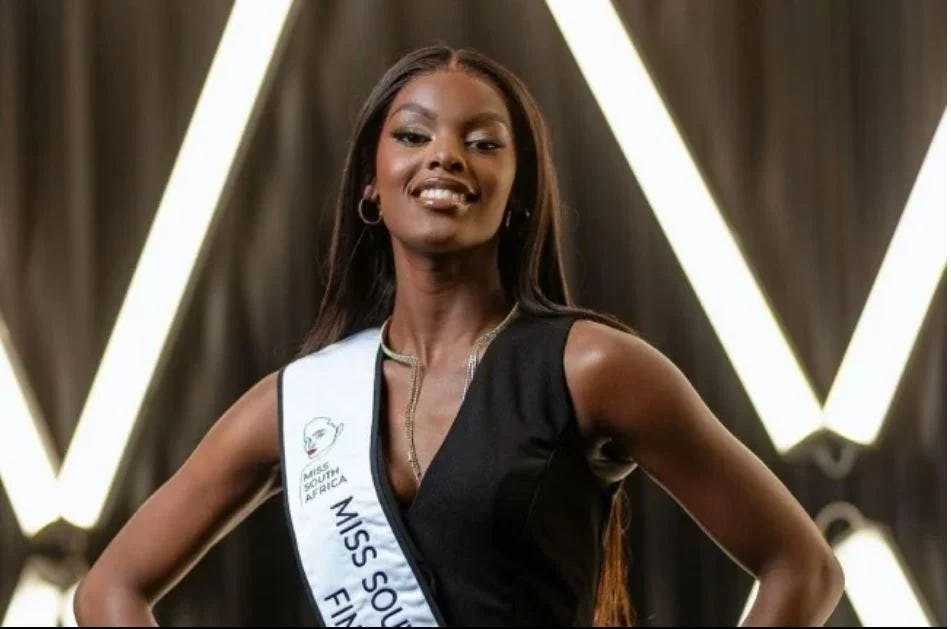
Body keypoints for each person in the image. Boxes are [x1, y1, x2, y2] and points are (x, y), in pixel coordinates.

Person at [74, 45, 844, 627]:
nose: (444, 154)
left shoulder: (591, 367)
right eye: (413, 135)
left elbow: (802, 568)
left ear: (518, 191)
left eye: (482, 141)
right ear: (371, 182)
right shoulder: (307, 399)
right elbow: (108, 590)